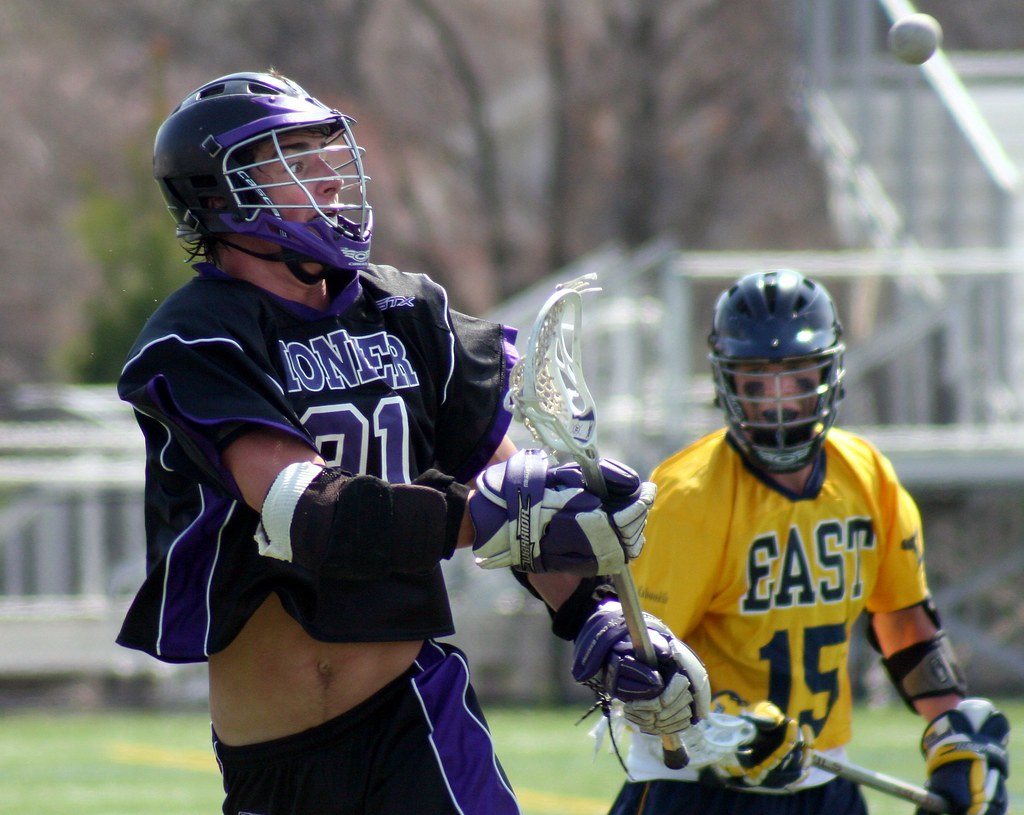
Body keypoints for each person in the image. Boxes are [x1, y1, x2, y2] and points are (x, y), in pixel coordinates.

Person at [116, 70, 704, 815]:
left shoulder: (408, 311)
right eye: (289, 157)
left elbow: (506, 481)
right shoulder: (199, 333)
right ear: (217, 194)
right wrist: (493, 514)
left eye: (322, 152)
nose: (326, 179)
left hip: (415, 712)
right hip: (272, 753)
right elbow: (306, 509)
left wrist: (598, 615)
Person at [603, 269, 1010, 815]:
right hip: (700, 789)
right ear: (727, 383)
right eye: (756, 380)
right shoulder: (687, 495)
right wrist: (726, 730)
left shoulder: (866, 478)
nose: (776, 402)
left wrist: (952, 726)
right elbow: (632, 670)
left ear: (829, 372)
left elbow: (906, 628)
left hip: (824, 783)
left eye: (795, 376)